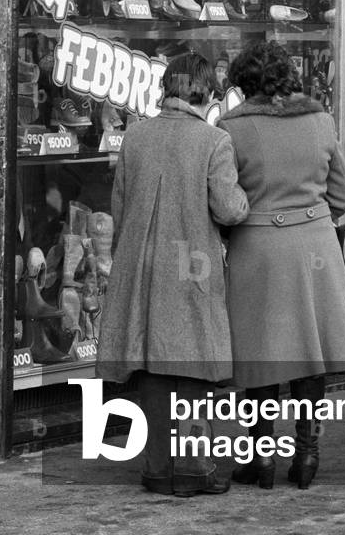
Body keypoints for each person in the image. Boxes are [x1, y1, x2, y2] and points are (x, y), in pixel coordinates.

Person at [96, 52, 249, 497]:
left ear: (168, 88)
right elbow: (229, 209)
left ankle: (158, 468)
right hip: (192, 266)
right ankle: (194, 469)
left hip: (144, 267)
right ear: (206, 92)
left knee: (154, 366)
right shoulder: (214, 141)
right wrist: (248, 200)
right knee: (194, 367)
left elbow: (120, 205)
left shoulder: (136, 136)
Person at [217, 39, 345, 490]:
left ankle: (261, 458)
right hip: (315, 247)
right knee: (309, 356)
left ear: (244, 84)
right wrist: (309, 217)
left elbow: (226, 204)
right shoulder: (321, 120)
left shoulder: (230, 129)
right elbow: (344, 196)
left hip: (257, 249)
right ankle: (307, 454)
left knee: (259, 356)